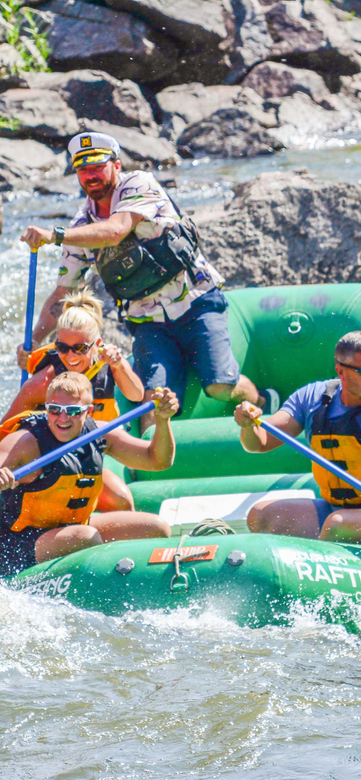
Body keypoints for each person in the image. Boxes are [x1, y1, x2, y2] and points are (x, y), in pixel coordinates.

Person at [19, 131, 278, 432]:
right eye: (82, 169)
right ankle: (156, 468)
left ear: (115, 166)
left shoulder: (138, 184)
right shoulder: (80, 229)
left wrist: (55, 235)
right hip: (148, 321)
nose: (90, 175)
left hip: (197, 301)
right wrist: (35, 340)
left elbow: (116, 230)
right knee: (154, 404)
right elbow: (64, 291)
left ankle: (263, 400)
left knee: (219, 385)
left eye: (97, 167)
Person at [234, 331, 361, 549]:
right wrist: (248, 425)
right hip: (340, 511)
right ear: (341, 372)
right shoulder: (312, 398)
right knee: (260, 516)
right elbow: (259, 443)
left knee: (339, 525)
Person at [0, 372, 178, 577]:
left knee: (156, 528)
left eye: (73, 410)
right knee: (86, 537)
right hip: (18, 543)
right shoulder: (25, 443)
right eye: (55, 410)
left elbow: (158, 461)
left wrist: (163, 421)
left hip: (75, 528)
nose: (63, 418)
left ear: (89, 411)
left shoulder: (101, 434)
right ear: (46, 408)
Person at [0, 288, 144, 513]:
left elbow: (136, 395)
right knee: (119, 499)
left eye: (80, 348)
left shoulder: (110, 361)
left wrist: (118, 366)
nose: (71, 356)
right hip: (48, 460)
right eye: (62, 348)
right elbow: (5, 429)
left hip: (89, 453)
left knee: (123, 501)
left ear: (96, 344)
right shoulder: (42, 383)